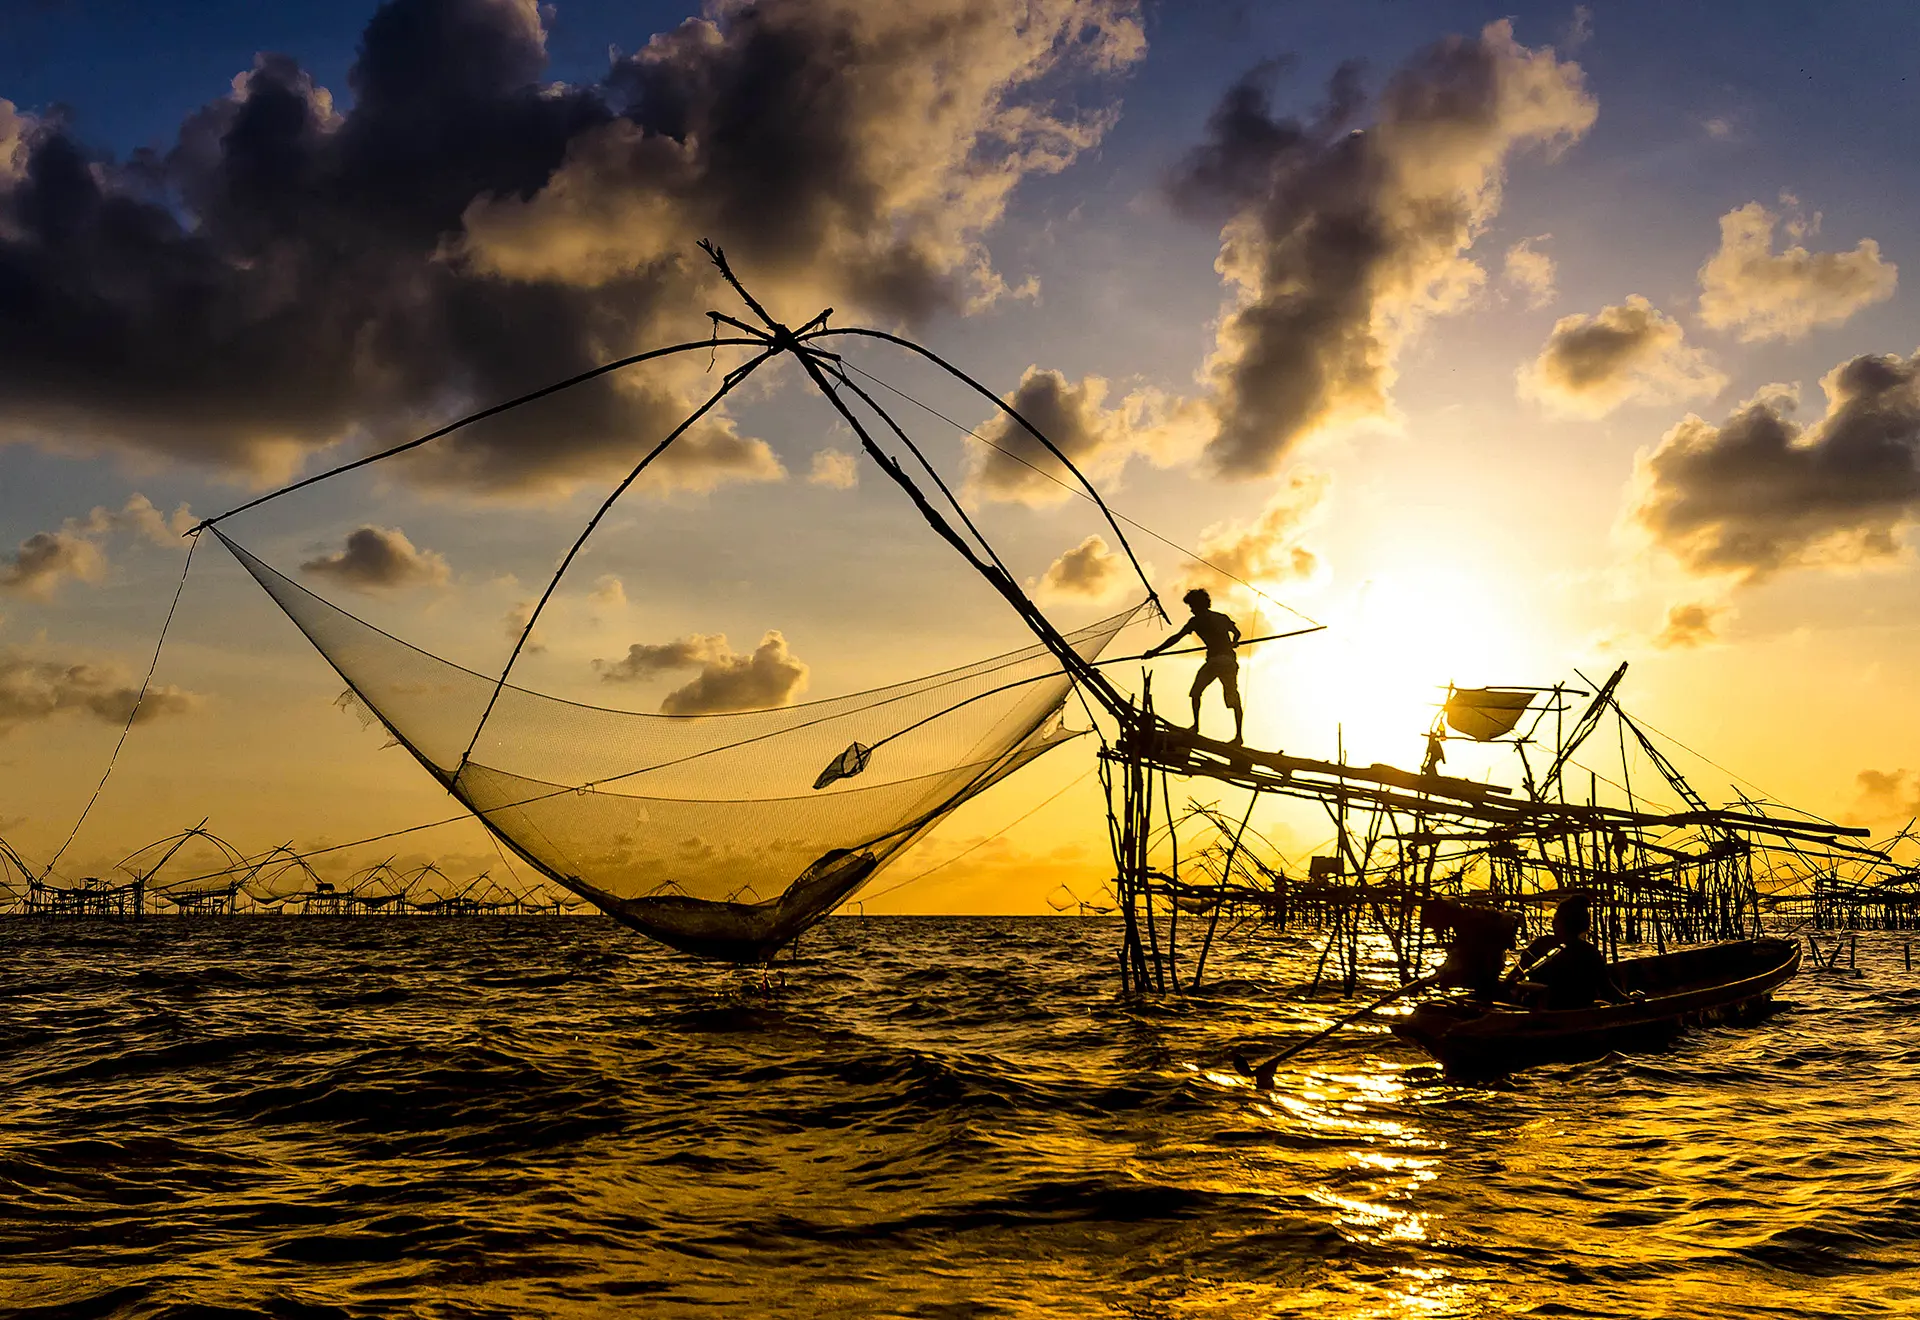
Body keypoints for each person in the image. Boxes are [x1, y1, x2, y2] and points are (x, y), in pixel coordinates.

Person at [1144, 587, 1244, 743]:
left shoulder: (1197, 621)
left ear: (1198, 605)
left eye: (1192, 607)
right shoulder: (1222, 618)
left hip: (1217, 662)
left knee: (1197, 693)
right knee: (1231, 697)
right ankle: (1238, 736)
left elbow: (1176, 638)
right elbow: (1237, 633)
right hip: (1227, 661)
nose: (1191, 610)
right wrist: (1233, 642)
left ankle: (1197, 727)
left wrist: (1155, 651)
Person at [1506, 894, 1627, 1010]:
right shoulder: (1589, 951)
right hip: (1573, 1008)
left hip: (1544, 1008)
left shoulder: (1543, 943)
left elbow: (1514, 975)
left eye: (1555, 917)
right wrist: (1630, 1002)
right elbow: (1606, 988)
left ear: (1561, 922)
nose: (1553, 921)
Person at [1421, 897, 1519, 1002]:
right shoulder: (1462, 921)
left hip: (1490, 948)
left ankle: (1488, 997)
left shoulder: (1468, 923)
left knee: (1482, 979)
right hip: (1489, 948)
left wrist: (1448, 975)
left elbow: (1469, 953)